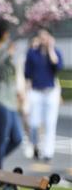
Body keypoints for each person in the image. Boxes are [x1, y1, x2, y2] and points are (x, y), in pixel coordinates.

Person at [0, 19, 23, 168]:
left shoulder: (4, 49)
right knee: (1, 138)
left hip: (11, 101)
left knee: (17, 138)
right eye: (6, 31)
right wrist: (7, 54)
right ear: (1, 33)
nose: (8, 35)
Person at [24, 27, 64, 163]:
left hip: (50, 92)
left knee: (50, 123)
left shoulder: (55, 52)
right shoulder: (32, 53)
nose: (43, 39)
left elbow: (58, 67)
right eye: (41, 36)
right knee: (34, 123)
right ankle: (35, 145)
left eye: (46, 36)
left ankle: (48, 153)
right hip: (35, 92)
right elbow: (27, 73)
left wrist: (51, 49)